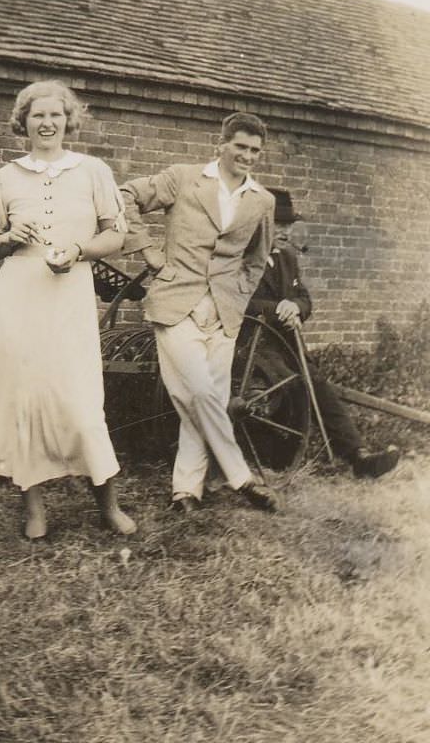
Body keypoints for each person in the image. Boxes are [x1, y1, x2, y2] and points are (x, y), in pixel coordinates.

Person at [0, 80, 136, 540]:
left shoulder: (92, 171)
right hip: (17, 299)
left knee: (82, 404)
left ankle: (108, 504)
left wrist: (80, 251)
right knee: (24, 399)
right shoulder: (4, 178)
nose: (47, 123)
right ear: (22, 122)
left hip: (69, 296)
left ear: (68, 121)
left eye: (55, 115)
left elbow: (115, 235)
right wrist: (8, 239)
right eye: (37, 115)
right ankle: (34, 510)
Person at [120, 112, 279, 512]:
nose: (247, 155)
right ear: (221, 144)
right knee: (201, 392)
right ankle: (240, 476)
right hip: (176, 302)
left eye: (254, 150)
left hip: (224, 313)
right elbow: (125, 196)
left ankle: (185, 492)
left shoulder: (262, 200)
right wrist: (147, 250)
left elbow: (257, 259)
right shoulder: (183, 178)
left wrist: (238, 296)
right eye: (240, 146)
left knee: (197, 401)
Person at [247, 189, 400, 478]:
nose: (285, 230)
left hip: (285, 344)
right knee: (291, 383)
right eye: (278, 223)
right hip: (250, 346)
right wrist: (275, 308)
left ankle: (358, 457)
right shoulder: (242, 257)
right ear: (259, 223)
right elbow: (234, 299)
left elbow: (304, 298)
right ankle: (279, 455)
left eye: (289, 224)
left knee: (317, 383)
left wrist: (294, 306)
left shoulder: (288, 257)